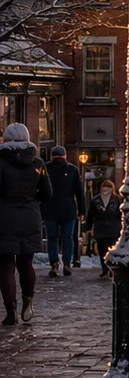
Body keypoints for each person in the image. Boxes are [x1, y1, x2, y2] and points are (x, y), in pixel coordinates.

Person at [0, 123, 51, 325]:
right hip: (30, 218)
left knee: (5, 267)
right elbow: (48, 193)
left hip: (4, 218)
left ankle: (10, 310)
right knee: (26, 264)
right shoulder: (37, 163)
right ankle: (28, 300)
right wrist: (32, 199)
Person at [43, 146, 84, 277]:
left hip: (50, 208)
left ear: (52, 156)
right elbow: (79, 192)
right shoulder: (72, 170)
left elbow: (39, 189)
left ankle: (54, 263)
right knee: (68, 237)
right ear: (65, 156)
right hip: (68, 209)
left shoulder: (46, 168)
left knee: (52, 238)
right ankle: (67, 263)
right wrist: (82, 211)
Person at [87, 180, 124, 278]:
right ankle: (110, 269)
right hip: (113, 229)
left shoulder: (96, 200)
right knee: (112, 250)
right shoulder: (117, 199)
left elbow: (90, 215)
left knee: (102, 250)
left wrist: (88, 228)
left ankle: (105, 269)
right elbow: (121, 215)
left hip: (101, 228)